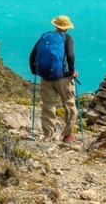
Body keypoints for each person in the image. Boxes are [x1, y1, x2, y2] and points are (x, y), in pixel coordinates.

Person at [29, 14, 78, 142]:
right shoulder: (67, 38)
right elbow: (70, 55)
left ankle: (48, 135)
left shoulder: (45, 37)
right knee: (69, 105)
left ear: (55, 25)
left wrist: (34, 70)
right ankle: (67, 135)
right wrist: (72, 71)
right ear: (67, 27)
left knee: (48, 105)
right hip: (62, 77)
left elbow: (32, 55)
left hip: (45, 77)